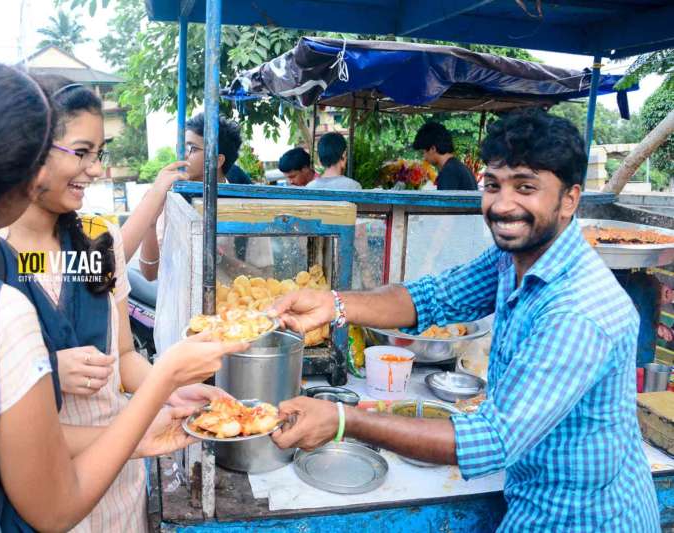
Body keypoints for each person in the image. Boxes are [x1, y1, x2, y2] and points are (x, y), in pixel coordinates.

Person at [270, 110, 659, 531]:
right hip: (529, 496)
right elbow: (431, 298)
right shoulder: (513, 258)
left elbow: (492, 441)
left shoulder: (580, 310)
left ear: (569, 199)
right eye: (493, 185)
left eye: (526, 187)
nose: (503, 204)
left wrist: (343, 420)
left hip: (583, 520)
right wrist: (333, 305)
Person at [0, 57, 246, 532]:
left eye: (98, 152)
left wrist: (168, 391)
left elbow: (124, 358)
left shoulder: (97, 245)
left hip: (116, 480)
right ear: (30, 155)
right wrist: (50, 371)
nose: (94, 169)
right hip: (39, 488)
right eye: (80, 151)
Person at [137, 112, 272, 282]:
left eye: (192, 149)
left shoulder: (247, 207)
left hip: (228, 306)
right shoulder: (173, 198)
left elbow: (265, 278)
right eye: (182, 148)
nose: (183, 156)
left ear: (217, 160)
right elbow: (149, 274)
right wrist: (150, 223)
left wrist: (216, 255)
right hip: (180, 307)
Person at [413, 121, 477, 191]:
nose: (424, 158)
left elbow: (443, 201)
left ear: (433, 149)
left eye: (423, 152)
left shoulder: (449, 172)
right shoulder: (458, 168)